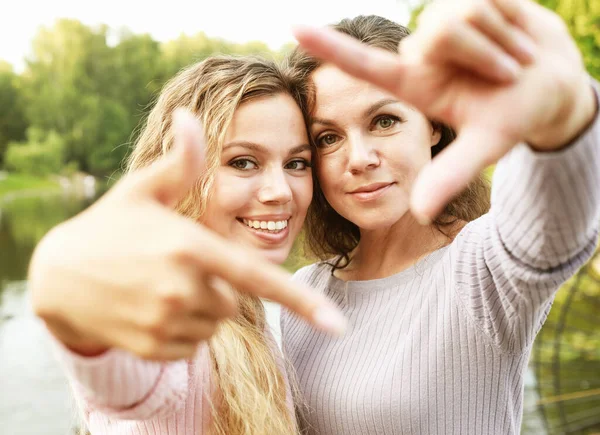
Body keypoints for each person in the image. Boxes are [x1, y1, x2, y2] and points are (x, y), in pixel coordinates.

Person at [281, 1, 600, 433]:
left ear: (432, 125)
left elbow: (551, 221)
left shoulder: (482, 272)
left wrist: (563, 118)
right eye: (328, 137)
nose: (359, 158)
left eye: (385, 120)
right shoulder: (304, 293)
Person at [28, 55, 346, 435]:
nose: (280, 192)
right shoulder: (165, 303)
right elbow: (129, 380)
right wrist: (68, 298)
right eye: (243, 162)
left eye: (296, 163)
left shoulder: (249, 312)